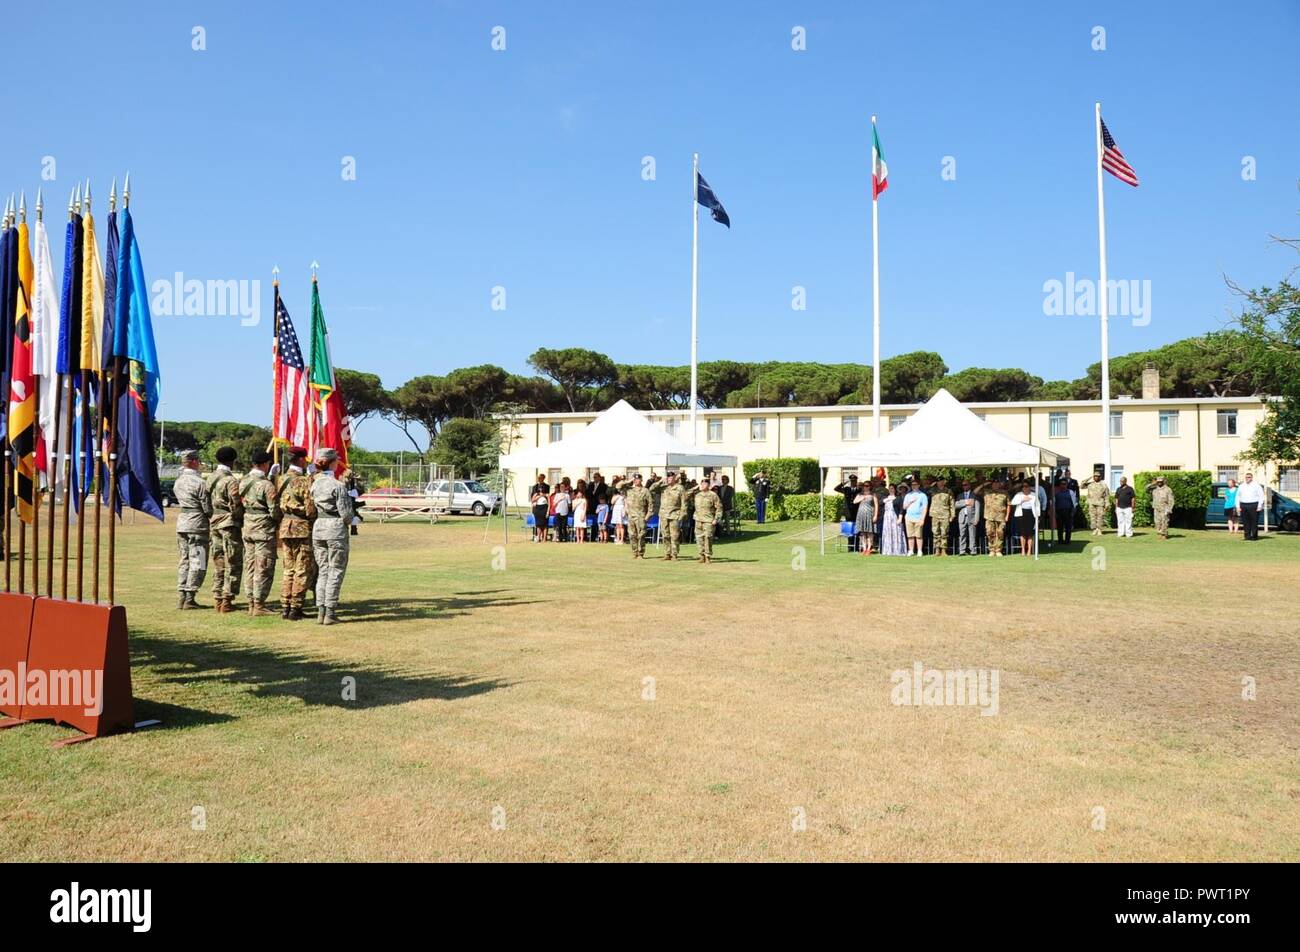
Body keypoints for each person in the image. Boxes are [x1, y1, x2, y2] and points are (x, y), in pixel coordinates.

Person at [311, 449, 353, 625]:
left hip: (319, 527)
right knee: (335, 570)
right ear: (332, 462)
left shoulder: (314, 484)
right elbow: (346, 514)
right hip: (335, 528)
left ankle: (321, 611)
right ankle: (330, 612)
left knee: (323, 570)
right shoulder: (337, 485)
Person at [276, 447, 317, 621]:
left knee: (288, 569)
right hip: (301, 527)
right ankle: (296, 607)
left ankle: (285, 605)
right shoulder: (303, 481)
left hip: (286, 526)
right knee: (302, 569)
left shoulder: (280, 479)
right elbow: (310, 509)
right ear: (301, 460)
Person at [240, 450, 281, 617]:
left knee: (249, 566)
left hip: (248, 527)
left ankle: (251, 602)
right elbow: (274, 510)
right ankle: (259, 604)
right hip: (264, 530)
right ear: (266, 464)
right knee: (264, 567)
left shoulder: (243, 481)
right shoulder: (267, 485)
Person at [206, 446, 245, 614]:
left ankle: (217, 598)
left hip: (214, 521)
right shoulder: (230, 481)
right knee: (233, 562)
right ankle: (227, 600)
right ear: (232, 461)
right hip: (229, 523)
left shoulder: (210, 478)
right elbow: (236, 503)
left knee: (218, 561)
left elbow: (206, 501)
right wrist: (240, 518)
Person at [174, 450, 213, 610]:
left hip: (182, 522)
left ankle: (182, 595)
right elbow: (207, 507)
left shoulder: (178, 482)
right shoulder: (200, 483)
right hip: (197, 524)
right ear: (194, 462)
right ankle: (190, 596)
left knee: (184, 560)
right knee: (198, 560)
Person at [650, 472, 689, 560]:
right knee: (665, 535)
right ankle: (667, 553)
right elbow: (651, 489)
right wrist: (660, 481)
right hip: (663, 514)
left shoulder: (680, 488)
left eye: (671, 477)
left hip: (674, 514)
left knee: (674, 535)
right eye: (668, 477)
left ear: (675, 478)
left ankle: (674, 554)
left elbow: (684, 502)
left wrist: (682, 514)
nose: (669, 479)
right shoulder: (663, 487)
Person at [978, 478, 1011, 557]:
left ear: (1000, 484)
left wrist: (1007, 516)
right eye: (994, 483)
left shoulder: (1004, 493)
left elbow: (1009, 505)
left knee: (1000, 533)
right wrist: (985, 484)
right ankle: (992, 550)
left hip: (1001, 517)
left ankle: (998, 550)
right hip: (989, 516)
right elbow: (975, 492)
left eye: (997, 483)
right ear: (991, 484)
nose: (995, 485)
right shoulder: (986, 492)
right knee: (990, 533)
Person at [692, 479, 722, 563]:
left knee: (708, 538)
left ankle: (707, 556)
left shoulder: (713, 495)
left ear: (708, 485)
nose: (703, 485)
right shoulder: (697, 495)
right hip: (698, 520)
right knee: (699, 538)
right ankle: (701, 556)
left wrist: (716, 519)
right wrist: (694, 488)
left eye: (705, 483)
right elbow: (685, 495)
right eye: (702, 483)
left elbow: (719, 508)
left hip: (708, 520)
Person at [1009, 479, 1040, 558]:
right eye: (1023, 487)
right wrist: (1022, 500)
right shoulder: (1019, 494)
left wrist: (1038, 516)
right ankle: (1023, 549)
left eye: (1026, 486)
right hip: (1021, 514)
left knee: (1030, 533)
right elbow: (1012, 502)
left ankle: (1029, 550)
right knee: (1022, 533)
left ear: (1029, 487)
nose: (1024, 488)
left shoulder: (1034, 495)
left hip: (1031, 514)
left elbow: (1037, 506)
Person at [623, 474, 652, 558]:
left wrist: (647, 516)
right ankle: (634, 552)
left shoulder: (645, 491)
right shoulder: (629, 489)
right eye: (634, 479)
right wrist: (629, 481)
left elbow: (650, 505)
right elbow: (618, 486)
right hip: (631, 516)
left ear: (641, 480)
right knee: (632, 535)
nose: (636, 481)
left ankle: (641, 553)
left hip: (641, 516)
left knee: (641, 536)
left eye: (638, 479)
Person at [901, 479, 928, 557]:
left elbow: (925, 508)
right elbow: (904, 507)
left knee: (919, 535)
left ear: (919, 485)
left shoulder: (922, 495)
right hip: (909, 517)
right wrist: (911, 501)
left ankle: (919, 550)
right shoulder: (908, 495)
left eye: (915, 484)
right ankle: (911, 550)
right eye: (912, 485)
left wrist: (922, 519)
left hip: (918, 517)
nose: (914, 486)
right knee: (910, 535)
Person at [1236, 472, 1265, 541]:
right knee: (1245, 522)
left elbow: (1261, 496)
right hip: (1243, 505)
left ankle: (1254, 537)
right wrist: (1237, 506)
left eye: (1249, 477)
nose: (1247, 478)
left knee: (1254, 521)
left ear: (1251, 478)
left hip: (1253, 505)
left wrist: (1259, 506)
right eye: (1246, 477)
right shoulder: (1241, 486)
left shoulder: (1257, 485)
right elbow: (1237, 496)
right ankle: (1247, 536)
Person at [834, 474, 861, 549]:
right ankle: (850, 546)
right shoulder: (846, 489)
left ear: (856, 481)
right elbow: (836, 488)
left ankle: (856, 546)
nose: (853, 482)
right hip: (848, 513)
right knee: (849, 529)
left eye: (854, 481)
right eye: (851, 481)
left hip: (857, 512)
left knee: (857, 529)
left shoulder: (859, 490)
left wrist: (860, 486)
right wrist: (843, 483)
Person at [929, 477, 954, 556]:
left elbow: (952, 504)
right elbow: (926, 490)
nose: (939, 482)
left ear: (944, 482)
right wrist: (932, 484)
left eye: (941, 481)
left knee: (944, 533)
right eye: (938, 481)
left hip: (945, 514)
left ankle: (943, 550)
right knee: (935, 532)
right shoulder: (933, 490)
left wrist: (952, 515)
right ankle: (937, 550)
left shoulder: (948, 491)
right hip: (935, 514)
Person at [955, 480, 980, 555]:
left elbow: (977, 508)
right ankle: (962, 551)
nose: (964, 486)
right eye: (963, 485)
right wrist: (966, 503)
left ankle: (973, 550)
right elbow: (956, 505)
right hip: (962, 518)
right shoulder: (960, 496)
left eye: (966, 485)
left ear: (969, 485)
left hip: (972, 517)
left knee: (972, 534)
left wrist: (976, 519)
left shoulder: (974, 495)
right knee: (962, 534)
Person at [880, 485, 906, 556]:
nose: (891, 490)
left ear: (895, 489)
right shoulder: (885, 497)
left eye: (892, 488)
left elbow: (901, 508)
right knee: (887, 532)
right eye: (890, 488)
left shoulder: (898, 498)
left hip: (894, 516)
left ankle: (897, 550)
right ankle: (887, 550)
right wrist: (886, 500)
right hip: (886, 517)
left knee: (896, 532)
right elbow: (880, 503)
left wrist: (900, 518)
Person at [853, 486, 877, 556]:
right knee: (863, 533)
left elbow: (876, 505)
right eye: (865, 485)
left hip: (869, 515)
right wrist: (862, 498)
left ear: (869, 487)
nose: (866, 487)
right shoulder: (860, 495)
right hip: (861, 515)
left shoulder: (873, 495)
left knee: (869, 533)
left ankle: (869, 549)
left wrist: (875, 515)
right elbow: (854, 502)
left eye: (867, 486)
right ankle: (864, 548)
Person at [1052, 479, 1075, 545]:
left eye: (1065, 484)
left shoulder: (1071, 492)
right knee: (1060, 528)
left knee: (1068, 528)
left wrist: (1072, 512)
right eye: (1062, 484)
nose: (1063, 485)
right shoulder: (1057, 493)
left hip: (1068, 511)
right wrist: (1055, 513)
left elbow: (1074, 503)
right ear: (1060, 485)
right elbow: (1054, 504)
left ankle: (1067, 541)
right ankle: (1060, 541)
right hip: (1059, 512)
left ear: (1067, 485)